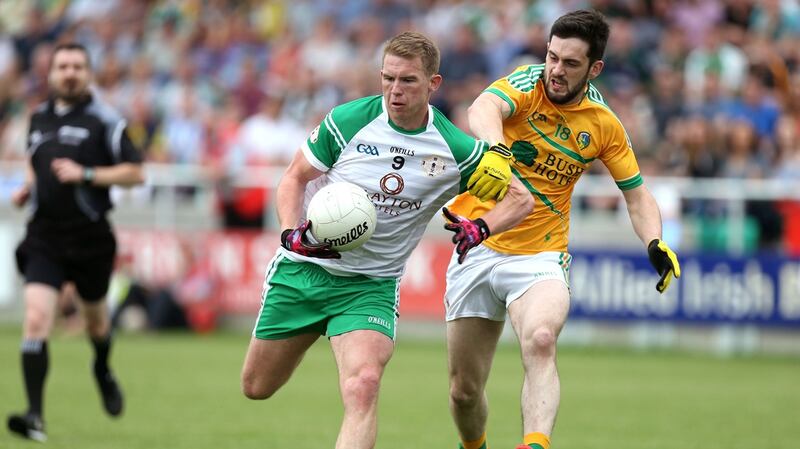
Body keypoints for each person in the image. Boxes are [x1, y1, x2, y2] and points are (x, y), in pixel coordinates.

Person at [240, 31, 534, 449]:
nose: (395, 90)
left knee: (364, 384)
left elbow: (521, 200)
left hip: (370, 286)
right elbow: (292, 179)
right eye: (388, 78)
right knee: (256, 386)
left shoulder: (455, 148)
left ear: (433, 84)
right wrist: (291, 234)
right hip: (305, 269)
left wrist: (481, 228)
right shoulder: (348, 121)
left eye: (408, 81)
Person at [446, 10, 682, 449]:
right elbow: (482, 107)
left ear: (595, 69)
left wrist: (654, 241)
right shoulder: (525, 82)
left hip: (541, 254)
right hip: (476, 244)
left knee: (540, 339)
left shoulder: (603, 123)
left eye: (570, 63)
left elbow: (636, 194)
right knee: (464, 392)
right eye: (552, 56)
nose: (555, 69)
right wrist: (497, 152)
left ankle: (534, 444)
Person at [7, 42, 144, 442]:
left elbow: (136, 173)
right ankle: (35, 417)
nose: (69, 72)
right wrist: (26, 190)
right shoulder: (37, 118)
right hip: (44, 236)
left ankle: (101, 368)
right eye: (62, 66)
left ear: (88, 73)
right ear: (50, 74)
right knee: (35, 320)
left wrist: (86, 175)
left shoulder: (106, 121)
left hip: (90, 239)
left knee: (96, 323)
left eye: (78, 66)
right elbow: (37, 168)